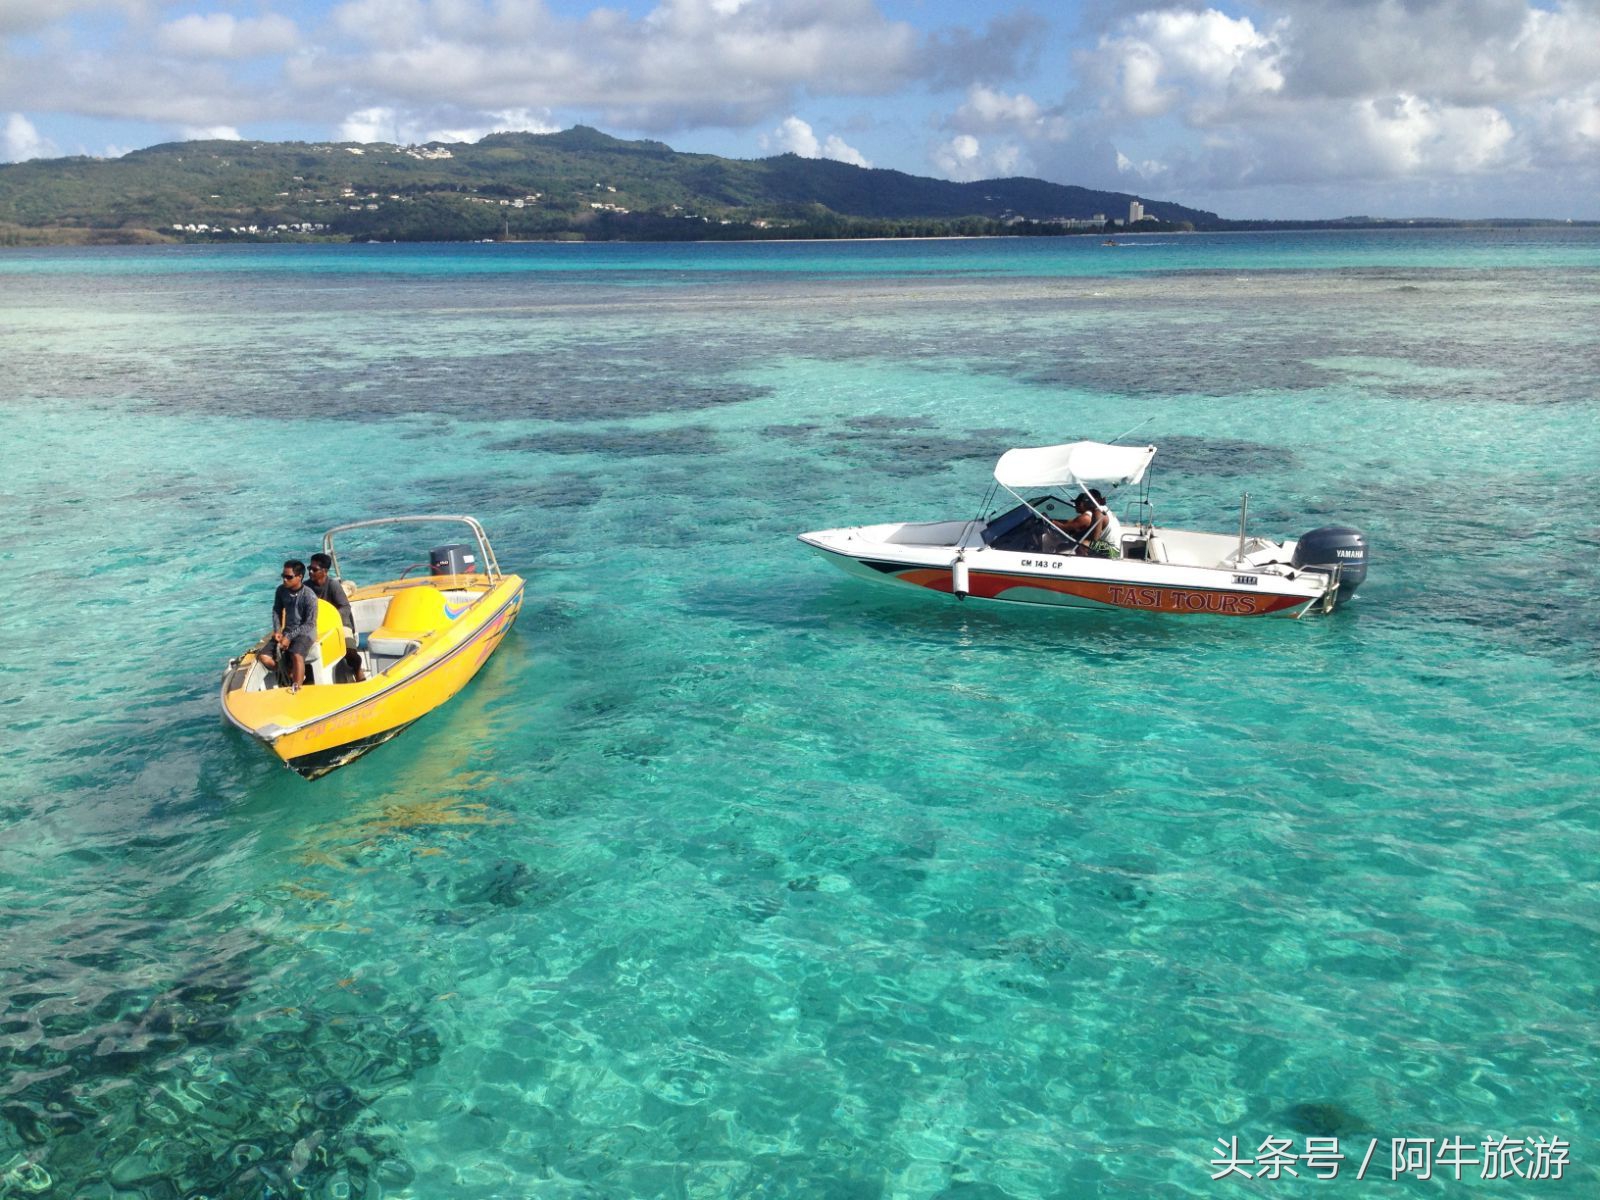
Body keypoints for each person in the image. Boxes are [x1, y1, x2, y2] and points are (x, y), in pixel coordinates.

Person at [304, 552, 366, 682]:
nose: (310, 572)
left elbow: (345, 607)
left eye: (314, 569)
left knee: (350, 651)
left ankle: (357, 669)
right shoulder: (305, 587)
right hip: (315, 626)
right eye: (309, 568)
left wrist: (332, 618)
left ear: (324, 571)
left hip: (339, 624)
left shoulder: (333, 586)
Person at [258, 560, 317, 692]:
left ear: (299, 577)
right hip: (287, 631)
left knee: (296, 654)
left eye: (289, 577)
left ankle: (297, 687)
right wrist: (277, 630)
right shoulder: (281, 591)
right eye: (283, 576)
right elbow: (276, 610)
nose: (284, 580)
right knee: (264, 657)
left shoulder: (309, 596)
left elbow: (310, 623)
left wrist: (289, 637)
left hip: (305, 633)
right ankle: (290, 673)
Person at [1050, 490, 1120, 558]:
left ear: (1095, 501)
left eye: (1088, 500)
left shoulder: (1098, 513)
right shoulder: (1104, 509)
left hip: (1113, 551)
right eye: (1085, 499)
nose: (1085, 502)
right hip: (1112, 547)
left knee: (1082, 544)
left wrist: (1076, 539)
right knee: (1080, 541)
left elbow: (1094, 540)